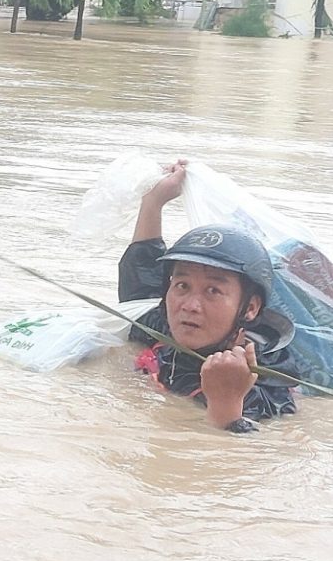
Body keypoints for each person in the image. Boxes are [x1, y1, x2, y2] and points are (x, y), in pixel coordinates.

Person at [119, 160, 301, 433]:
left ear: (249, 308)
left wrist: (226, 404)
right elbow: (140, 285)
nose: (190, 306)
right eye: (182, 285)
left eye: (213, 291)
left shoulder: (267, 388)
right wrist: (153, 201)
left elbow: (240, 459)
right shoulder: (163, 328)